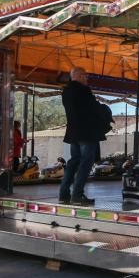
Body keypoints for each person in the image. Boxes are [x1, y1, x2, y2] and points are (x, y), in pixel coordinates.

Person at [59, 67, 102, 205]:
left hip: (73, 133)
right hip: (86, 132)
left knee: (73, 162)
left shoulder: (65, 91)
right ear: (78, 75)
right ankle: (77, 195)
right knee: (85, 163)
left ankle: (63, 194)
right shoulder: (84, 90)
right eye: (85, 75)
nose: (87, 78)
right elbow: (93, 109)